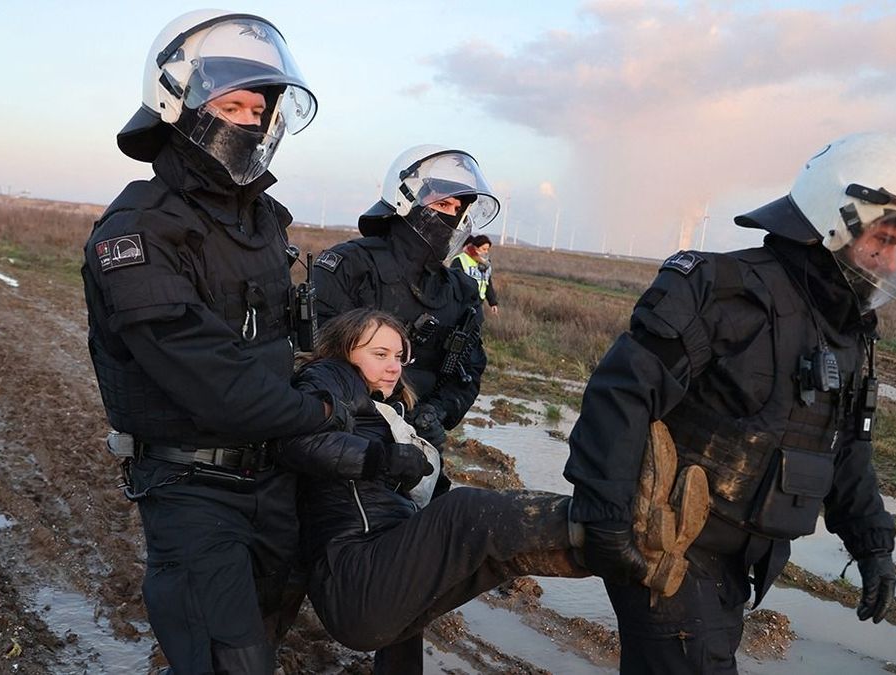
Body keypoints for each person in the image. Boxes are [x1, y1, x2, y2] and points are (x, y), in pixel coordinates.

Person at [564, 132, 896, 673]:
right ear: (834, 219)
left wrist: (873, 548)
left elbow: (845, 452)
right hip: (667, 548)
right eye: (884, 241)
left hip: (740, 566)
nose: (891, 262)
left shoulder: (850, 334)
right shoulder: (721, 291)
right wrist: (606, 518)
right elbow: (619, 396)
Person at [81, 11, 356, 674]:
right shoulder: (138, 230)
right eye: (232, 104)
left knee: (269, 626)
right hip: (190, 486)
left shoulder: (265, 224)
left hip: (273, 477)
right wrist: (328, 407)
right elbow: (216, 382)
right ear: (176, 104)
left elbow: (291, 344)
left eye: (261, 108)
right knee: (229, 658)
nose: (251, 121)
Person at [278, 308, 585, 672]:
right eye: (379, 355)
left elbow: (418, 500)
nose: (394, 367)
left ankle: (612, 550)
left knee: (500, 557)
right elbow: (299, 441)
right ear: (342, 351)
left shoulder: (387, 411)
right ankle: (597, 520)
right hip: (353, 575)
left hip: (376, 578)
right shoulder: (330, 374)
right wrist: (382, 458)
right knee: (465, 511)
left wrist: (428, 454)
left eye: (398, 357)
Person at [313, 145, 500, 455]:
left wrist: (436, 413)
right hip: (343, 441)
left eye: (458, 208)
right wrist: (379, 414)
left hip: (417, 447)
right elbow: (316, 356)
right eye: (442, 203)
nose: (452, 216)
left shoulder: (459, 290)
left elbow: (468, 372)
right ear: (406, 199)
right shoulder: (350, 266)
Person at [450, 234, 499, 313]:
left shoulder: (486, 264)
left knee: (477, 323)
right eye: (484, 249)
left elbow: (487, 283)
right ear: (476, 248)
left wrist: (492, 303)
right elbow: (452, 282)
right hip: (462, 303)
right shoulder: (460, 260)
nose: (486, 252)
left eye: (488, 249)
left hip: (478, 304)